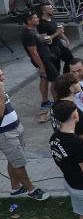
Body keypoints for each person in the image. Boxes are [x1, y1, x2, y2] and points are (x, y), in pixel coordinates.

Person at [0, 67, 48, 199]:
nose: (3, 78)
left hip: (14, 127)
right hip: (5, 133)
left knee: (13, 159)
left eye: (2, 74)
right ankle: (31, 189)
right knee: (19, 162)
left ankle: (15, 188)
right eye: (0, 77)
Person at [22, 11, 57, 109]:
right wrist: (41, 66)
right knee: (55, 80)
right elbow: (33, 52)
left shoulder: (33, 30)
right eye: (35, 18)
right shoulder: (28, 34)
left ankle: (45, 102)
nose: (38, 19)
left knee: (44, 79)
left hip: (45, 57)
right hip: (43, 60)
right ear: (29, 21)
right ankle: (57, 102)